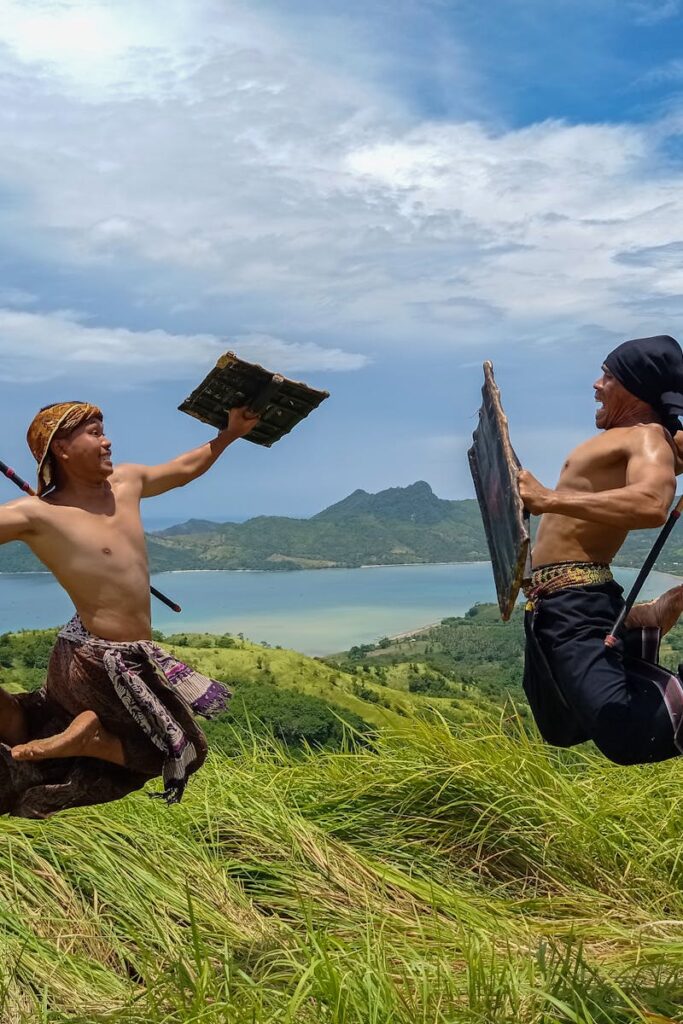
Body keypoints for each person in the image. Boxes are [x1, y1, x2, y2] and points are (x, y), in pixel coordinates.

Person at [0, 400, 260, 817]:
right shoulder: (37, 513)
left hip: (86, 652)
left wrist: (229, 434)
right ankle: (92, 739)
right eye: (94, 433)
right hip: (99, 662)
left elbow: (182, 469)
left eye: (103, 431)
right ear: (61, 448)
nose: (108, 441)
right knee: (182, 749)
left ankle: (67, 730)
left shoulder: (127, 482)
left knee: (42, 721)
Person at [518, 334, 683, 765]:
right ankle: (637, 623)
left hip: (579, 600)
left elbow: (651, 504)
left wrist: (549, 499)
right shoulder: (630, 439)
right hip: (556, 601)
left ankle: (638, 623)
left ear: (633, 386)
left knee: (625, 737)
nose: (596, 384)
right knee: (560, 725)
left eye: (607, 375)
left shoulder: (647, 437)